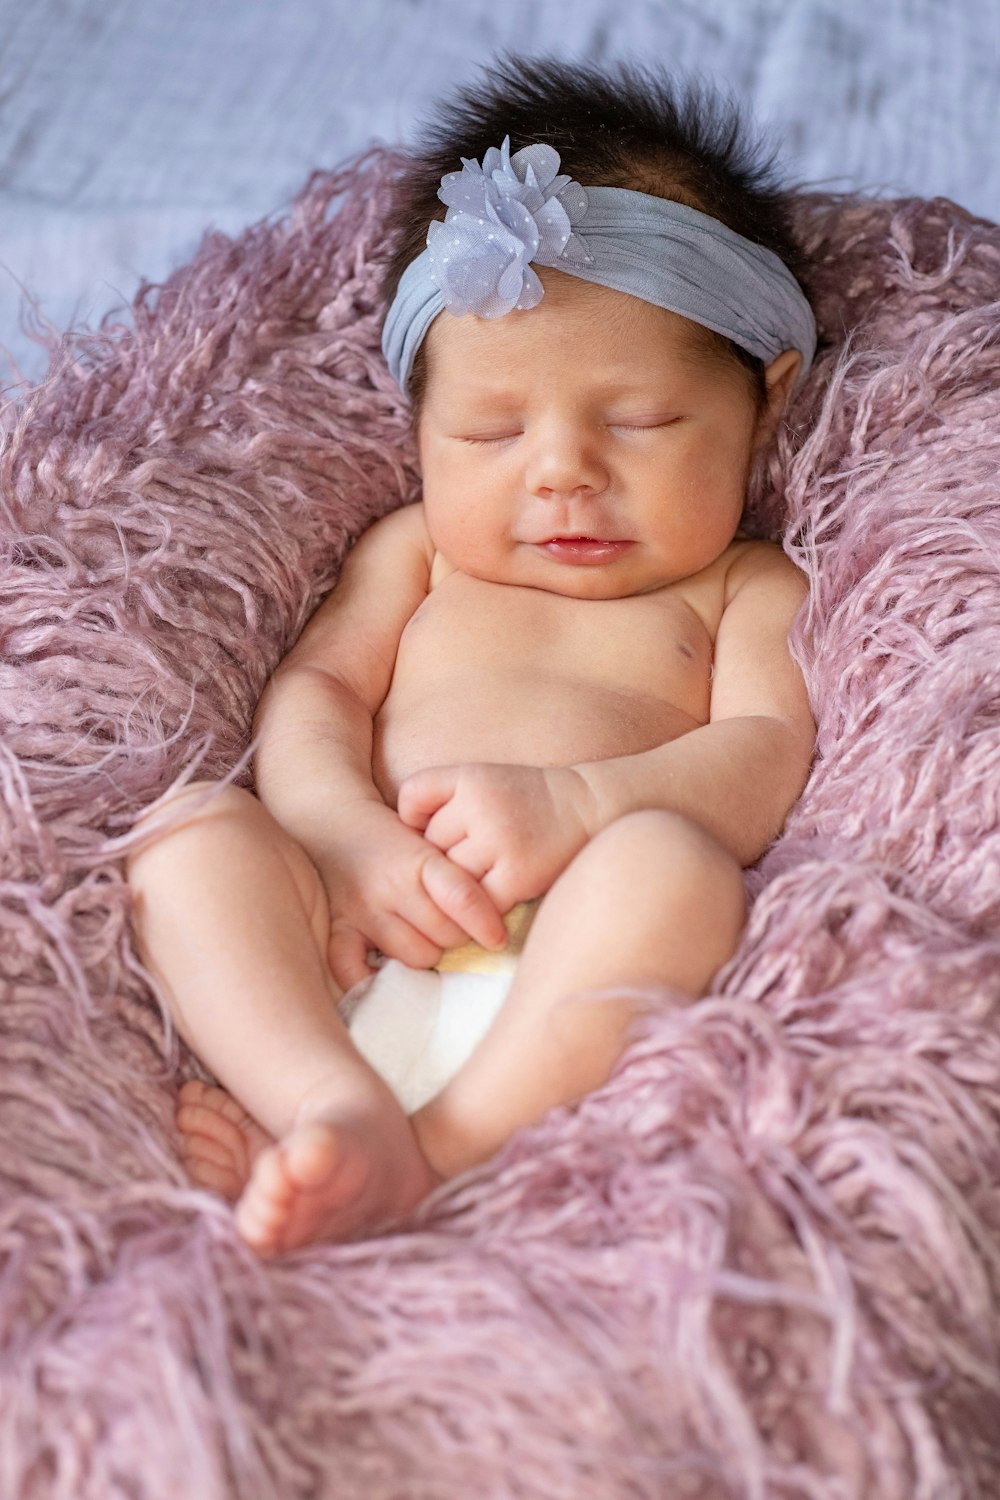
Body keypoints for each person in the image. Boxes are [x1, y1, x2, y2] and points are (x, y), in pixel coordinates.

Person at [126, 56, 817, 1255]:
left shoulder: (741, 582)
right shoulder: (417, 556)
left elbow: (763, 752)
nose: (559, 473)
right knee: (188, 835)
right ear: (420, 426)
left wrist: (586, 803)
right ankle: (322, 1098)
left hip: (564, 972)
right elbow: (320, 692)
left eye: (643, 421)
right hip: (356, 942)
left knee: (670, 867)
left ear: (767, 400)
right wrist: (341, 833)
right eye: (490, 431)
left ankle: (434, 1153)